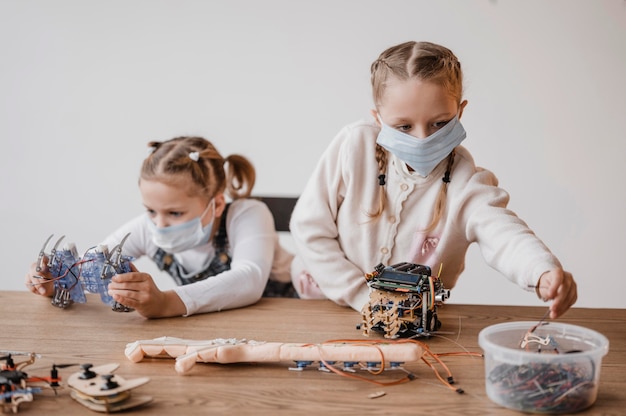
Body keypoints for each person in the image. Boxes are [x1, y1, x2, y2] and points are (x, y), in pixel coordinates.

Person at [289, 41, 577, 319]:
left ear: (460, 112)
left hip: (411, 319)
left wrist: (541, 270)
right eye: (403, 126)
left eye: (439, 123)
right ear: (378, 119)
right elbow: (308, 228)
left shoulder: (466, 182)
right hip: (323, 304)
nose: (422, 138)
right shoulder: (354, 145)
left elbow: (502, 233)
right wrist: (360, 296)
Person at [25, 136, 294, 318]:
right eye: (151, 210)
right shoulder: (149, 227)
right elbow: (93, 263)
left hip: (287, 315)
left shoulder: (248, 214)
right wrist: (60, 281)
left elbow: (249, 279)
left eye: (175, 212)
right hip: (219, 324)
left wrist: (165, 303)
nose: (159, 224)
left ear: (218, 204)